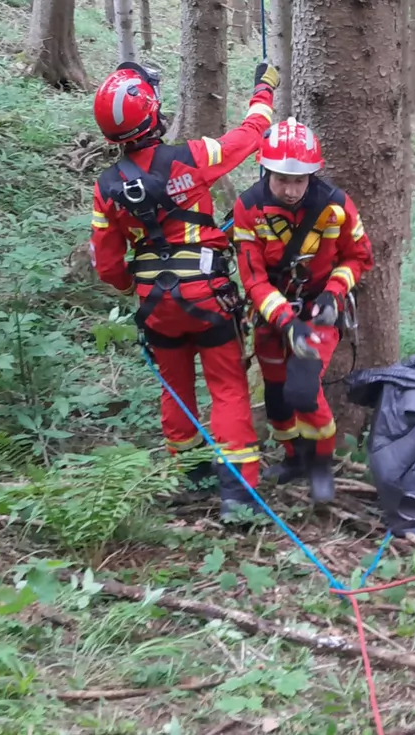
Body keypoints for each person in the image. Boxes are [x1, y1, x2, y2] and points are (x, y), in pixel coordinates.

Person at [88, 61, 278, 519]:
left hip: (156, 306)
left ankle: (193, 477)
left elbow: (109, 266)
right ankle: (238, 499)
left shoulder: (106, 188)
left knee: (174, 390)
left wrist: (140, 282)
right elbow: (252, 134)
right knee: (228, 388)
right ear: (153, 114)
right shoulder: (192, 157)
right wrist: (264, 88)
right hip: (207, 295)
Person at [233, 118, 374, 503]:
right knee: (277, 393)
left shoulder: (336, 206)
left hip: (318, 313)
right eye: (282, 180)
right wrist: (284, 321)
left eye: (300, 180)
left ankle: (320, 466)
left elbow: (359, 256)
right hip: (270, 313)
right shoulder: (248, 208)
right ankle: (294, 458)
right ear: (266, 170)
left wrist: (333, 291)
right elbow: (254, 279)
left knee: (303, 390)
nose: (292, 189)